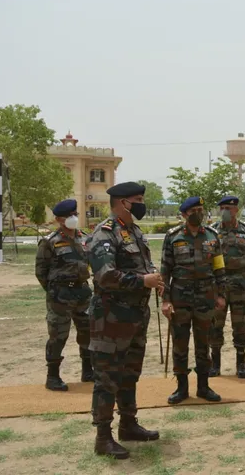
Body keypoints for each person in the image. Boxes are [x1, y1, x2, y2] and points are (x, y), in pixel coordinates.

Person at [86, 182, 162, 459]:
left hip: (135, 316)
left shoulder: (134, 232)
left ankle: (128, 425)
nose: (141, 204)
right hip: (111, 318)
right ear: (121, 202)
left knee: (130, 374)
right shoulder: (105, 234)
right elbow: (105, 276)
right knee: (107, 378)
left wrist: (152, 276)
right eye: (137, 199)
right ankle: (103, 437)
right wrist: (143, 280)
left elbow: (140, 266)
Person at [161, 196, 228, 404]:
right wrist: (165, 300)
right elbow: (165, 271)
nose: (198, 213)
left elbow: (219, 267)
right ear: (184, 215)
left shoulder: (212, 236)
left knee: (203, 344)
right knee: (180, 345)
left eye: (201, 209)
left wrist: (221, 294)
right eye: (194, 211)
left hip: (205, 297)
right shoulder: (172, 237)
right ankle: (181, 388)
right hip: (180, 298)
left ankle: (203, 387)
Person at [35, 199, 93, 391]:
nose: (73, 218)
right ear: (59, 219)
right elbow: (41, 272)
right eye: (68, 216)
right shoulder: (50, 242)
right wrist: (54, 291)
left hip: (83, 292)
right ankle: (52, 377)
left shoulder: (84, 238)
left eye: (74, 214)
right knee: (58, 335)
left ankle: (88, 371)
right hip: (60, 294)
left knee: (88, 332)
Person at [209, 195, 245, 378]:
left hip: (239, 283)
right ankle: (215, 363)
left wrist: (237, 269)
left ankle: (241, 363)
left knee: (240, 323)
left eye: (229, 208)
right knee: (216, 323)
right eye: (223, 209)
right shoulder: (212, 232)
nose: (225, 212)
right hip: (218, 284)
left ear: (236, 210)